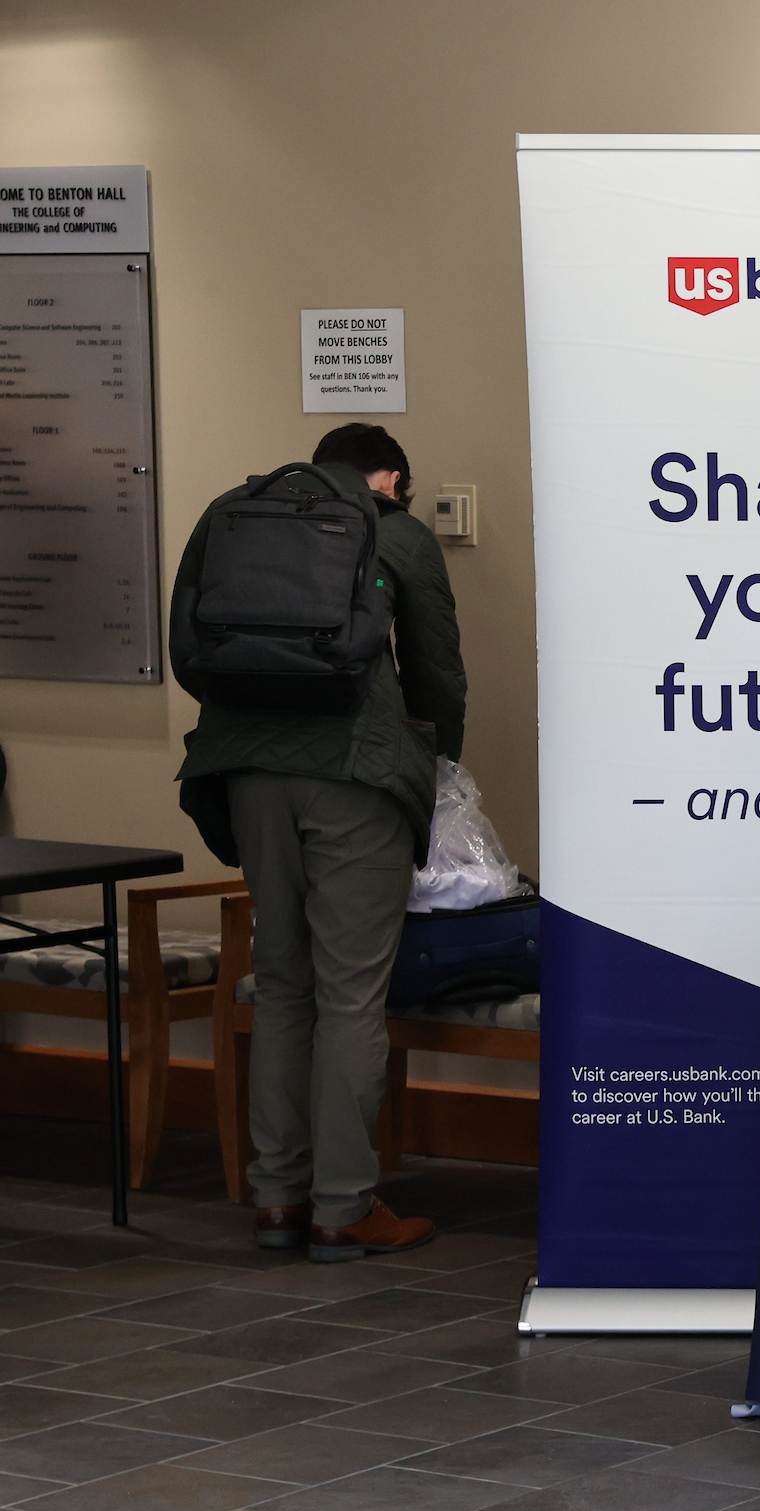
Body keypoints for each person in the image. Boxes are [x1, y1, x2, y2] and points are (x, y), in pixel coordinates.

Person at [171, 423, 466, 1262]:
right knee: (350, 997)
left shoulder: (231, 515)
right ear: (394, 479)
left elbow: (190, 650)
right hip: (356, 777)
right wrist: (441, 772)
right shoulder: (396, 531)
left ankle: (275, 1200)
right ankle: (343, 1205)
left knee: (285, 984)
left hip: (245, 775)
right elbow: (438, 672)